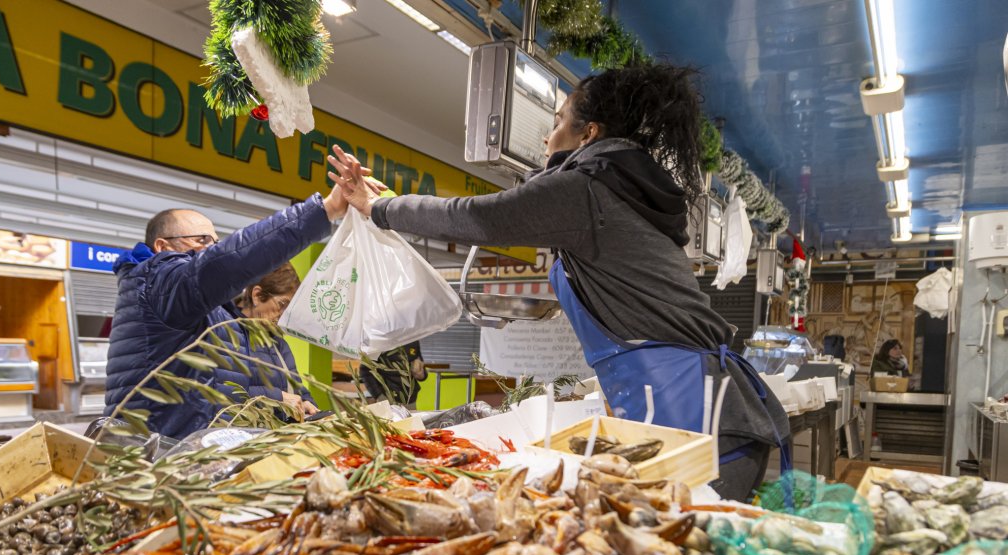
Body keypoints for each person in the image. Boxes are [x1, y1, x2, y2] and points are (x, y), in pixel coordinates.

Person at [327, 63, 790, 500]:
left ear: (588, 133)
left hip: (696, 420)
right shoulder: (621, 186)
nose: (547, 137)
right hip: (697, 404)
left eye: (556, 122)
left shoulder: (589, 189)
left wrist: (383, 210)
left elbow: (483, 217)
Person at [105, 167, 362, 439]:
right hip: (160, 457)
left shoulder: (216, 313)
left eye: (215, 241)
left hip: (192, 454)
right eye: (202, 241)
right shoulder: (158, 282)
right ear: (162, 247)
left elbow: (227, 388)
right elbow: (228, 262)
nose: (211, 248)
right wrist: (326, 210)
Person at [235, 263, 319, 418]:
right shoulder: (230, 335)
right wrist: (278, 398)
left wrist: (306, 402)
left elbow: (295, 385)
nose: (284, 314)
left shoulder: (278, 341)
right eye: (282, 304)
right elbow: (228, 392)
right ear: (257, 296)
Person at [360, 340, 427, 406]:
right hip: (387, 399)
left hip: (411, 400)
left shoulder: (413, 338)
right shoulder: (380, 339)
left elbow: (422, 369)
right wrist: (379, 396)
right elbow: (365, 371)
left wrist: (421, 374)